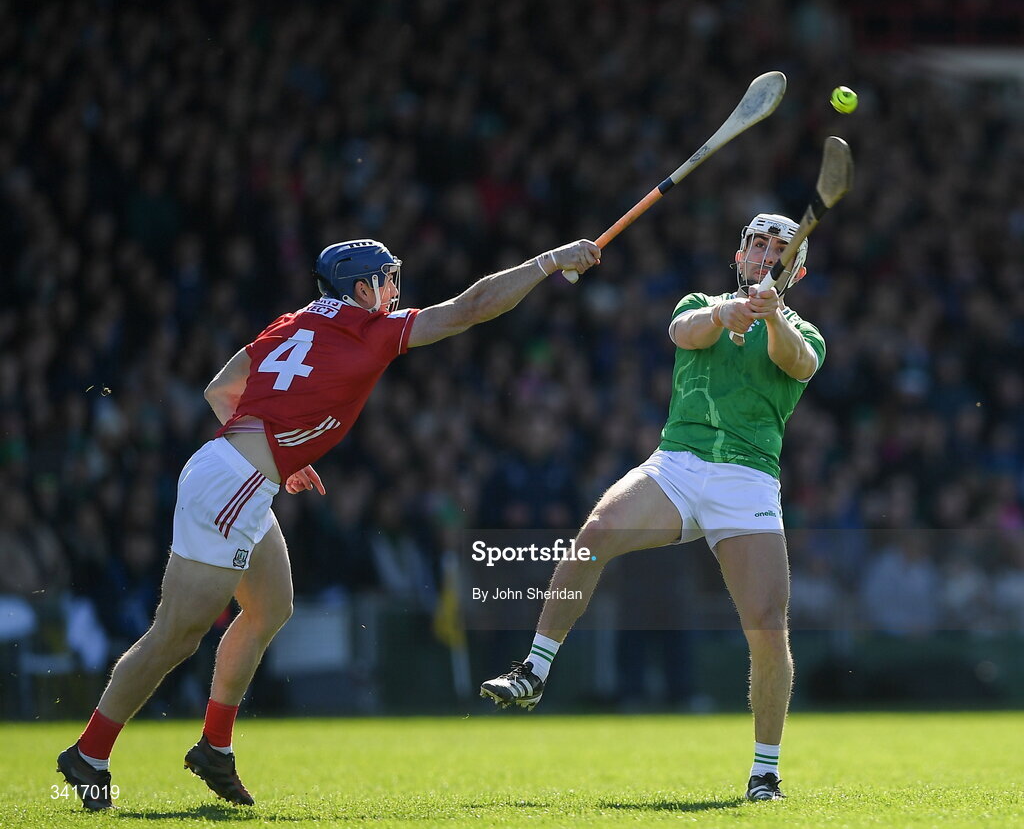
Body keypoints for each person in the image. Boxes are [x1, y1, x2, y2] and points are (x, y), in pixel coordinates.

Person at [57, 237, 601, 810]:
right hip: (232, 489)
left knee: (271, 607)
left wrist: (278, 452)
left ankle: (214, 747)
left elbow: (220, 389)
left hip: (236, 477)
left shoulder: (292, 321)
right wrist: (548, 262)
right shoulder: (369, 330)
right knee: (176, 634)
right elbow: (470, 308)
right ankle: (89, 754)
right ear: (361, 289)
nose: (395, 290)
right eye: (388, 279)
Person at [480, 214, 825, 802]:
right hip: (679, 464)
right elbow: (686, 332)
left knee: (768, 627)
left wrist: (769, 315)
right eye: (756, 245)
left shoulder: (804, 332)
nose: (766, 254)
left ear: (797, 268)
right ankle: (534, 669)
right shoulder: (700, 303)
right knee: (595, 534)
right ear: (737, 257)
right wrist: (726, 313)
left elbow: (797, 362)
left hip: (748, 480)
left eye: (779, 249)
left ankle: (765, 771)